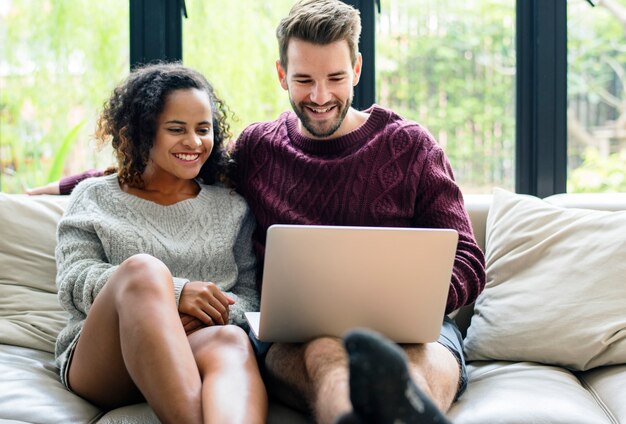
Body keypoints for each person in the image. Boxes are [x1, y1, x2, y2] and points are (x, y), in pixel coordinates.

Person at [30, 1, 486, 423]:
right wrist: (70, 185)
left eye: (335, 78)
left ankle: (407, 409)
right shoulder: (259, 149)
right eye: (305, 80)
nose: (321, 95)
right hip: (305, 334)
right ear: (281, 74)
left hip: (412, 330)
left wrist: (406, 305)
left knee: (415, 366)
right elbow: (176, 161)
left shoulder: (410, 147)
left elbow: (466, 257)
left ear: (357, 70)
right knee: (327, 357)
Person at [53, 63, 267, 424]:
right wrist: (174, 294)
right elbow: (74, 281)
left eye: (203, 129)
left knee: (231, 341)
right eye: (176, 129)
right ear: (143, 133)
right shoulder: (93, 197)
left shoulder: (231, 207)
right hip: (106, 360)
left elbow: (250, 299)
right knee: (144, 270)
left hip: (195, 343)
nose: (194, 142)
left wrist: (202, 315)